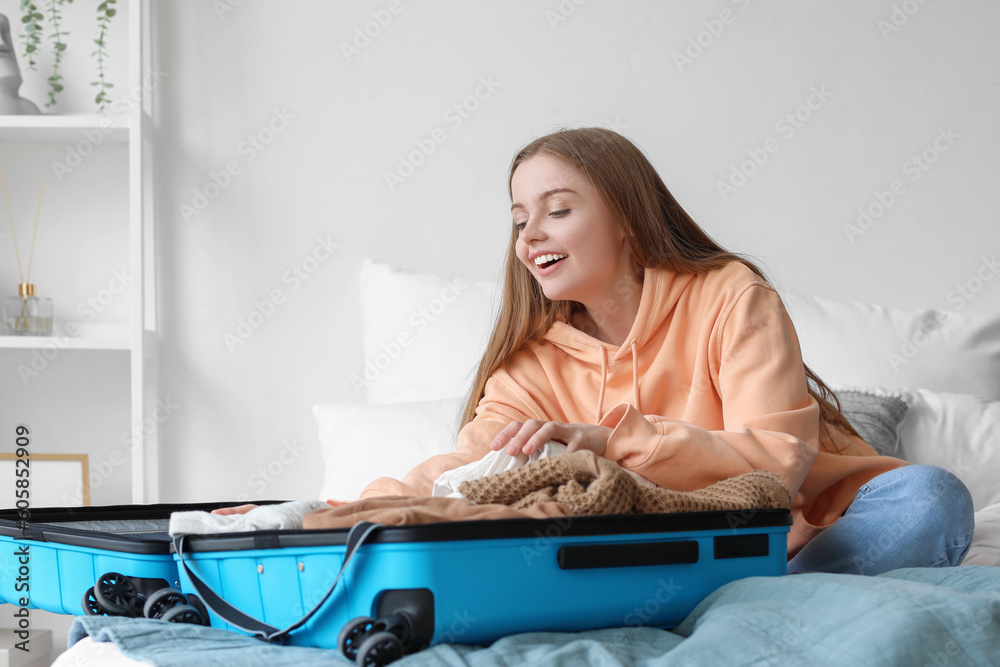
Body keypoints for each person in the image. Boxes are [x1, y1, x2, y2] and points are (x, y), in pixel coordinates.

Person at [354, 127, 974, 576]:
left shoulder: (732, 296)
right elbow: (467, 474)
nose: (530, 235)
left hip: (806, 533)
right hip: (668, 557)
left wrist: (612, 442)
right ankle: (727, 594)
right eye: (519, 221)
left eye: (558, 210)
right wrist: (335, 516)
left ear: (625, 217)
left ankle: (744, 593)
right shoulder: (528, 365)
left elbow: (777, 463)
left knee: (931, 500)